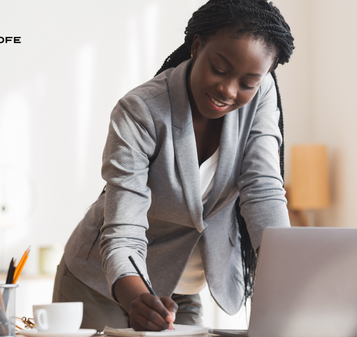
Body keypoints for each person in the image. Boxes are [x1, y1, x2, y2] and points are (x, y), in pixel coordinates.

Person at [52, 0, 295, 331]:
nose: (228, 90)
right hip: (102, 284)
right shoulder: (141, 110)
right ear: (197, 46)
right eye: (220, 69)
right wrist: (137, 297)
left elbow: (263, 188)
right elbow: (124, 228)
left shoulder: (262, 95)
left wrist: (291, 280)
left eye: (247, 83)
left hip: (182, 288)